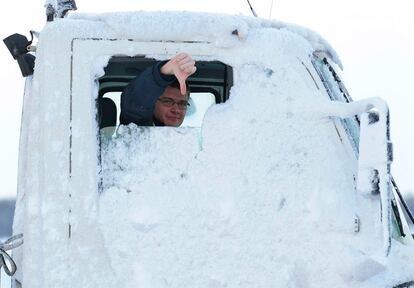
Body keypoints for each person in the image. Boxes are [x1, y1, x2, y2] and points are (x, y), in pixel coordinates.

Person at [120, 53, 196, 127]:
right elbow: (135, 106)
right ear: (152, 103)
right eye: (168, 101)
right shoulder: (138, 130)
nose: (176, 110)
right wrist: (165, 72)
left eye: (182, 103)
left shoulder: (194, 138)